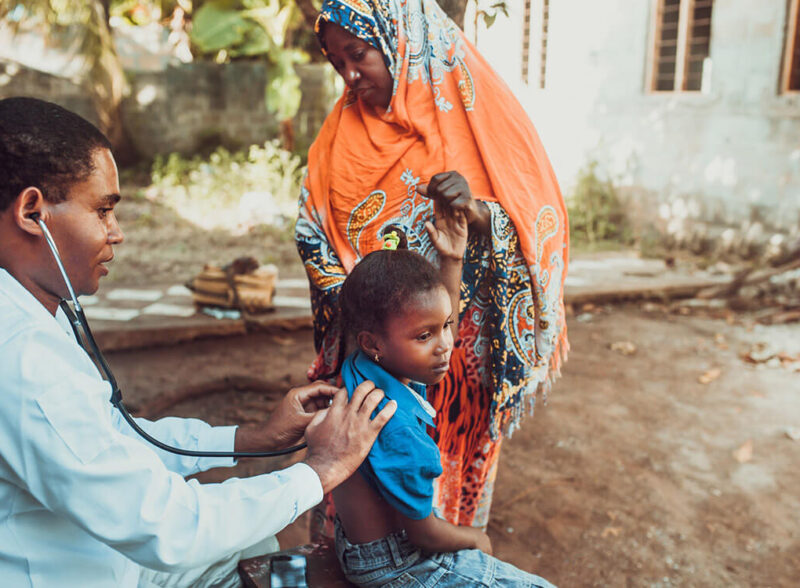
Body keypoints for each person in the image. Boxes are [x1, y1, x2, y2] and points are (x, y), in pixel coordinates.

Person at [0, 96, 396, 587]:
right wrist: (320, 470)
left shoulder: (33, 311)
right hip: (79, 574)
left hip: (107, 557)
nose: (116, 233)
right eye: (102, 210)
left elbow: (113, 441)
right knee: (267, 562)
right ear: (32, 211)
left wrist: (251, 439)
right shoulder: (23, 357)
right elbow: (167, 527)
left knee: (256, 551)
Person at [295, 0, 569, 535]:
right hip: (373, 360)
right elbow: (311, 231)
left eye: (358, 55)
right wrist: (363, 304)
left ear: (399, 41)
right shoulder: (339, 135)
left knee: (446, 491)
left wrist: (480, 215)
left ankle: (448, 547)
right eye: (337, 63)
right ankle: (372, 559)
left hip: (458, 362)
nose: (349, 75)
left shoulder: (475, 117)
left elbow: (540, 223)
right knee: (360, 496)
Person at [330, 207, 555, 586]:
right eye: (425, 336)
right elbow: (425, 536)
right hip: (393, 562)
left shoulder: (365, 367)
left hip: (355, 542)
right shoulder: (397, 427)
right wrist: (475, 537)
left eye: (446, 327)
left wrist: (452, 260)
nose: (445, 345)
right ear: (373, 343)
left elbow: (430, 316)